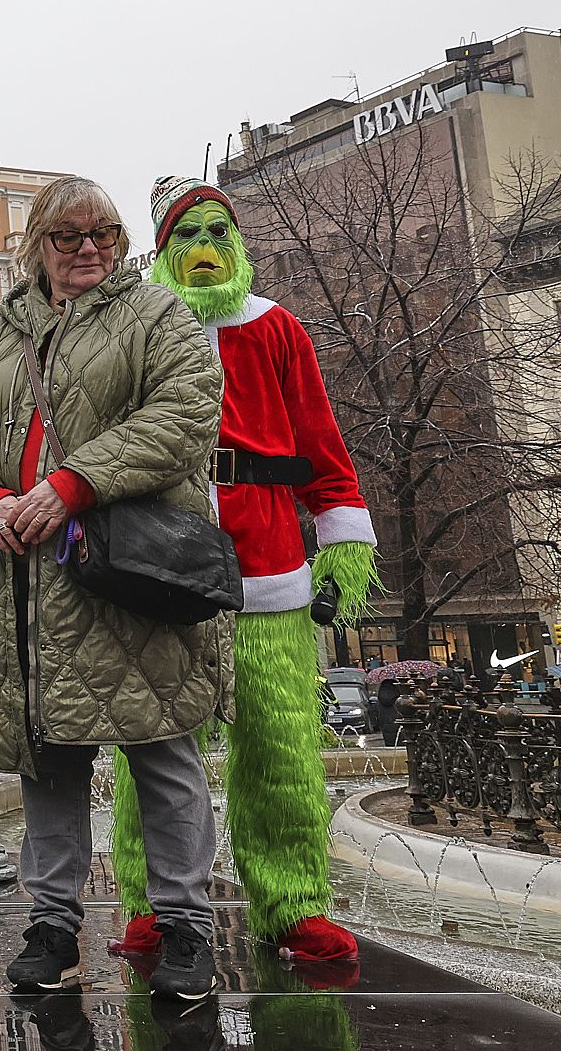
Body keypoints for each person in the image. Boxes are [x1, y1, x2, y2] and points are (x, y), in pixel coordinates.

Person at [0, 175, 228, 1003]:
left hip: (128, 577)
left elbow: (187, 412)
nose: (88, 247)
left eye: (103, 232)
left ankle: (187, 929)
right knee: (46, 761)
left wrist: (70, 485)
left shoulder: (157, 315)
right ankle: (53, 924)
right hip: (23, 584)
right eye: (68, 235)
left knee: (164, 755)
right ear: (37, 246)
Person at [108, 176, 377, 968]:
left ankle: (293, 904)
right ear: (163, 249)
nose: (204, 248)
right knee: (153, 747)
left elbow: (325, 451)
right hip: (164, 572)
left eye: (218, 232)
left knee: (281, 749)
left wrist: (341, 553)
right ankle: (152, 904)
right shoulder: (137, 330)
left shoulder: (277, 330)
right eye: (187, 234)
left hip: (271, 576)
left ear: (239, 244)